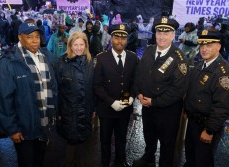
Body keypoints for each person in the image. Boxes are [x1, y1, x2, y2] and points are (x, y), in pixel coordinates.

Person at [0, 22, 57, 167]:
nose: (35, 40)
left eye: (37, 36)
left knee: (40, 159)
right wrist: (12, 129)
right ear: (19, 38)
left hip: (44, 121)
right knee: (26, 162)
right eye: (30, 37)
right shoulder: (10, 62)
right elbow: (4, 98)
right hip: (24, 127)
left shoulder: (46, 56)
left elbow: (53, 87)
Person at [132, 16, 188, 167]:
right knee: (149, 135)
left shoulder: (179, 58)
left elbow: (177, 90)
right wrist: (138, 93)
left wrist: (154, 101)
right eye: (159, 32)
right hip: (147, 105)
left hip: (167, 110)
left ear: (173, 35)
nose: (162, 37)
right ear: (155, 34)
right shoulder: (149, 50)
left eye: (166, 33)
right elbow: (139, 74)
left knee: (167, 143)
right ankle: (148, 157)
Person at [183, 29, 229, 167]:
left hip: (206, 126)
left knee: (203, 161)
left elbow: (223, 107)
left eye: (209, 45)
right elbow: (193, 91)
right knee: (190, 157)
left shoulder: (224, 74)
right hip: (193, 122)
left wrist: (209, 131)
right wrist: (186, 108)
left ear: (218, 46)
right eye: (202, 45)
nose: (204, 49)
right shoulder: (200, 65)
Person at [94, 24, 138, 167]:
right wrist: (111, 102)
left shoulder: (133, 57)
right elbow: (97, 85)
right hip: (107, 108)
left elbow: (134, 80)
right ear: (111, 39)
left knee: (121, 138)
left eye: (123, 37)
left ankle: (121, 161)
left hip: (124, 107)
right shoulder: (101, 58)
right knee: (105, 139)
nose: (120, 41)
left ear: (127, 39)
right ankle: (105, 163)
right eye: (117, 37)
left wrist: (131, 97)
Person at [55, 31, 95, 167]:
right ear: (70, 45)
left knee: (83, 144)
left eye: (81, 44)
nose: (79, 48)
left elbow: (93, 88)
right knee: (70, 145)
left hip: (85, 111)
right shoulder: (61, 62)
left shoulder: (90, 62)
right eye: (75, 44)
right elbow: (57, 90)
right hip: (69, 112)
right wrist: (58, 112)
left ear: (86, 45)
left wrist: (93, 109)